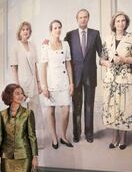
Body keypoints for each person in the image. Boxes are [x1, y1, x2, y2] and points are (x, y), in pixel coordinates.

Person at [100, 11, 132, 149]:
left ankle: (123, 138)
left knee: (125, 107)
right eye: (118, 21)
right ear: (114, 23)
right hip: (110, 80)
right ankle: (114, 137)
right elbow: (101, 59)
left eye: (123, 20)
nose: (120, 23)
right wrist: (106, 63)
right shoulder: (107, 38)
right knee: (112, 108)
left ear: (126, 23)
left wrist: (123, 60)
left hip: (125, 79)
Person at [64, 9, 103, 143]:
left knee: (89, 105)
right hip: (75, 77)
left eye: (85, 17)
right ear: (77, 19)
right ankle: (76, 134)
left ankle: (89, 134)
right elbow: (61, 50)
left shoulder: (95, 34)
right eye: (80, 17)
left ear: (88, 18)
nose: (83, 19)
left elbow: (102, 53)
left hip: (90, 75)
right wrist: (48, 43)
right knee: (77, 106)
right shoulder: (70, 35)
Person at [40, 20, 74, 149]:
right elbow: (43, 67)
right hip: (51, 82)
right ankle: (54, 137)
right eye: (55, 28)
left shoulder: (65, 45)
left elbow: (68, 64)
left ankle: (63, 136)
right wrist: (44, 87)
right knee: (51, 110)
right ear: (51, 30)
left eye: (59, 27)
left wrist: (71, 83)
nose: (58, 30)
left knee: (66, 110)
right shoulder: (45, 46)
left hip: (64, 82)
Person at [10, 21, 42, 109]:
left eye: (27, 29)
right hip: (22, 84)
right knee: (22, 112)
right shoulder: (15, 47)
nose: (25, 31)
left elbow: (35, 66)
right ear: (19, 32)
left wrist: (39, 83)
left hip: (33, 83)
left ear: (30, 32)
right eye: (23, 29)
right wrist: (17, 87)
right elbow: (14, 69)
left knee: (34, 112)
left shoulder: (33, 46)